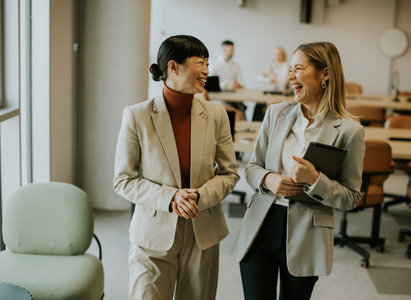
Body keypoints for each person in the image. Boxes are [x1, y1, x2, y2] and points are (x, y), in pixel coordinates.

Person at [231, 41, 365, 300]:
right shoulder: (275, 114)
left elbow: (351, 197)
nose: (290, 77)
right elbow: (251, 167)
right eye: (290, 69)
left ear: (324, 74)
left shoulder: (350, 131)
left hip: (307, 235)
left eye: (298, 69)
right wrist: (269, 179)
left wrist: (315, 180)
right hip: (261, 226)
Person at [113, 35, 239, 300]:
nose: (207, 70)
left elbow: (229, 173)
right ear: (173, 67)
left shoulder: (216, 115)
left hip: (203, 230)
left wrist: (200, 197)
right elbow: (123, 180)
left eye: (207, 62)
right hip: (152, 233)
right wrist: (171, 197)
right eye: (199, 62)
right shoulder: (137, 115)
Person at [210, 40, 247, 119]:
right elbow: (210, 84)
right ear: (224, 49)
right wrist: (226, 85)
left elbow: (242, 83)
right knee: (238, 113)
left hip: (234, 98)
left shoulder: (236, 66)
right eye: (231, 49)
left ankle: (244, 129)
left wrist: (238, 85)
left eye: (233, 50)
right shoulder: (214, 64)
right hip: (219, 99)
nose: (233, 52)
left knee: (242, 109)